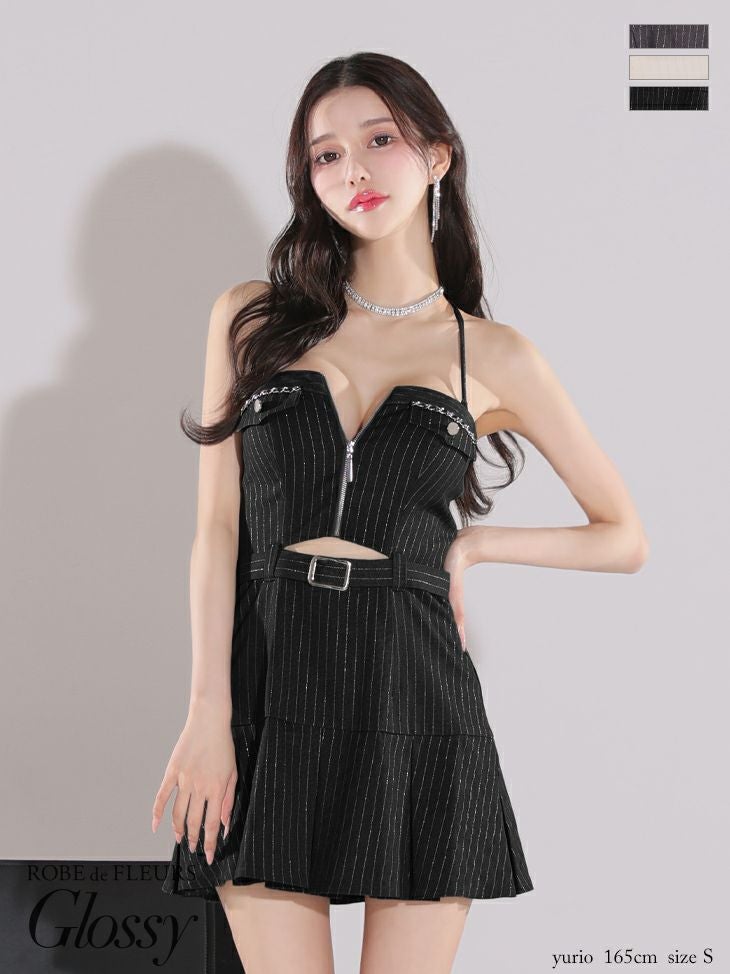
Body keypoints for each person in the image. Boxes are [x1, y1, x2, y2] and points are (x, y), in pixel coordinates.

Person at [151, 51, 649, 974]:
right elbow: (216, 530)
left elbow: (624, 535)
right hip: (269, 685)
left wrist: (477, 546)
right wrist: (207, 713)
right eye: (327, 154)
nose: (354, 171)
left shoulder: (492, 354)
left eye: (380, 140)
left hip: (414, 692)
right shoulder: (250, 319)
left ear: (438, 155)